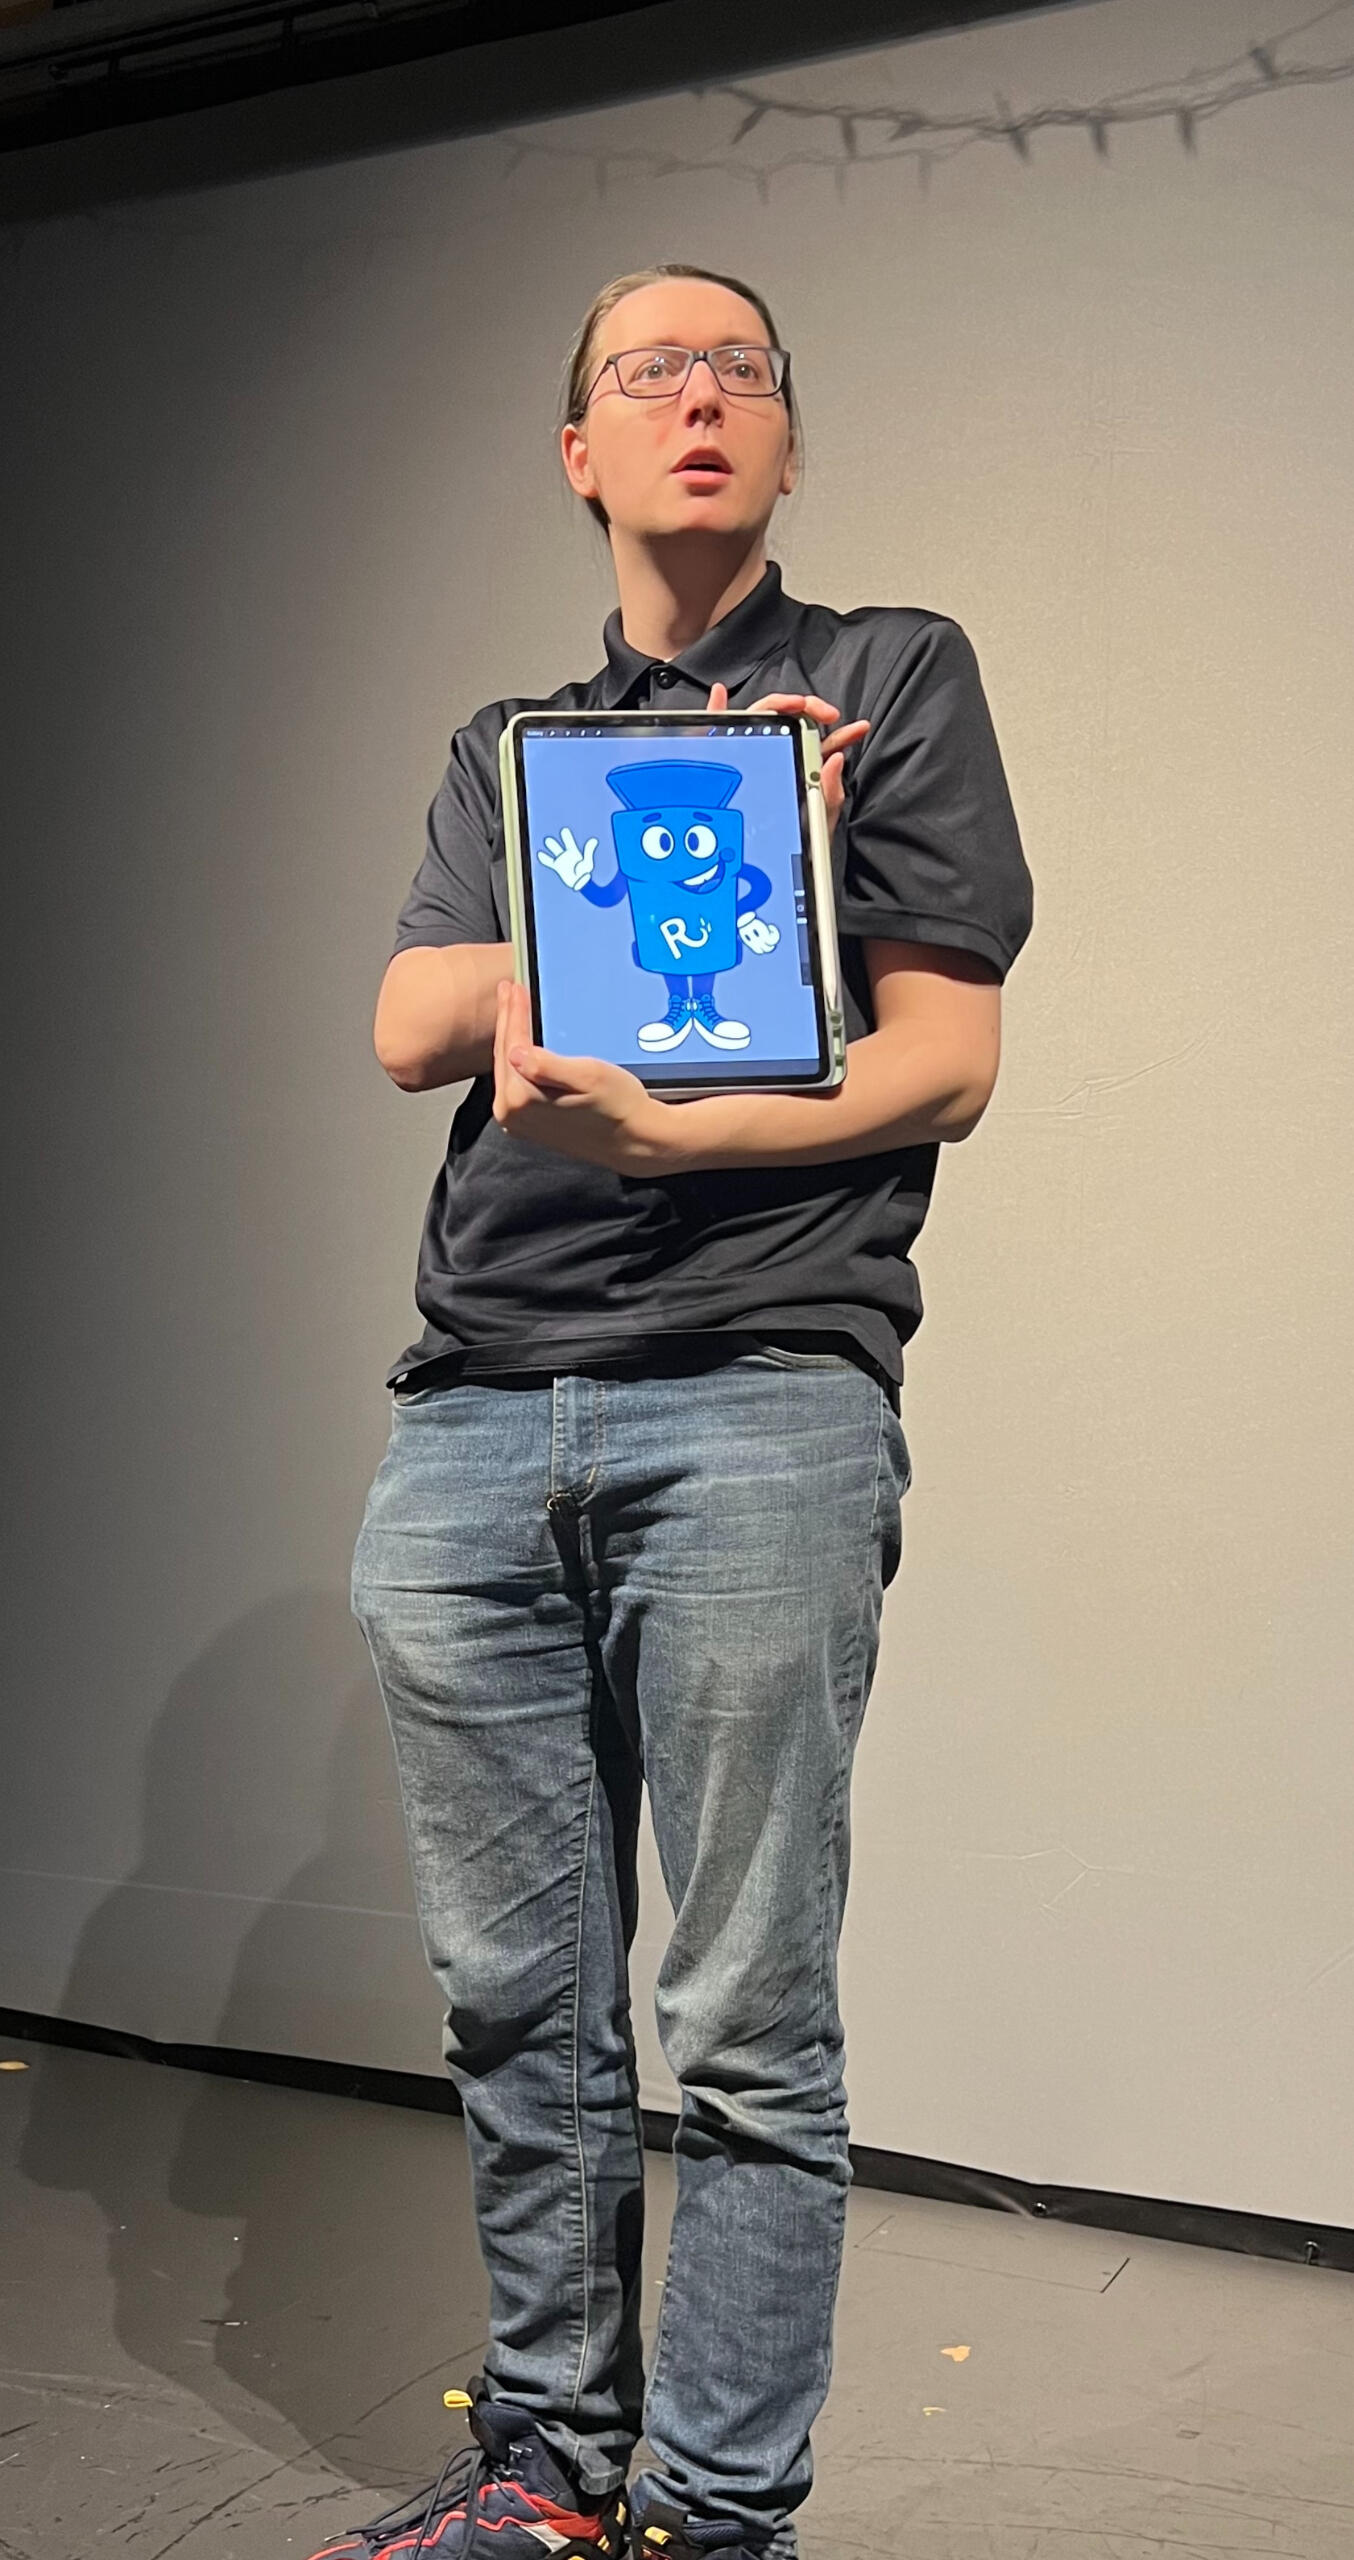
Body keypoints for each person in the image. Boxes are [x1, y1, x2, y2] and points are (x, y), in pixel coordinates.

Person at [323, 263, 1032, 2560]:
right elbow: (407, 1020)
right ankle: (547, 2468)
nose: (695, 395)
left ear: (787, 440)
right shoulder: (513, 750)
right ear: (580, 454)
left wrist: (682, 1119)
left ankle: (715, 2516)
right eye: (646, 370)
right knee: (514, 2001)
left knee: (736, 2009)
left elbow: (947, 1055)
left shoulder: (890, 679)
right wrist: (666, 849)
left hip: (755, 1385)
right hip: (473, 1404)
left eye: (737, 368)